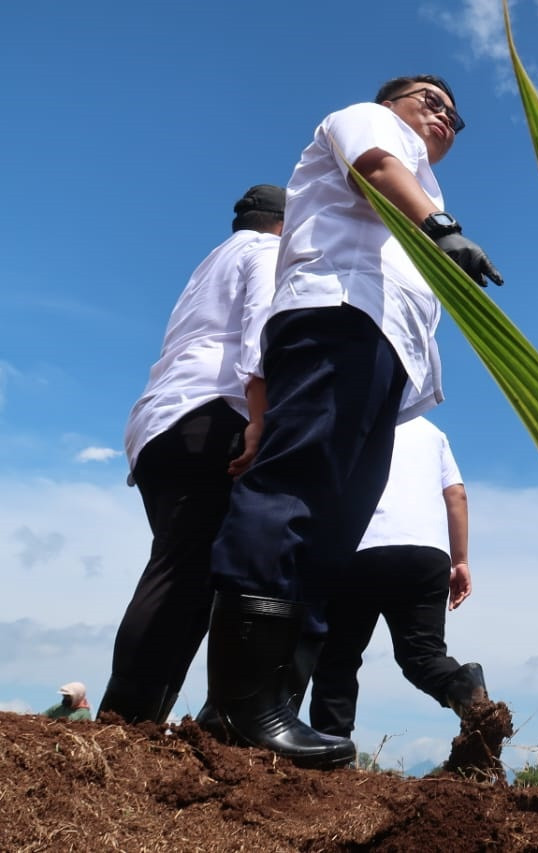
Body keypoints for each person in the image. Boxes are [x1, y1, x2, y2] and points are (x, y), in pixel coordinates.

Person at [202, 74, 502, 769]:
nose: (444, 115)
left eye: (456, 115)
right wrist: (442, 229)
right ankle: (243, 701)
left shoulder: (424, 179)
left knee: (337, 527)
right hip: (337, 315)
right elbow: (375, 167)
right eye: (429, 99)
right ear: (393, 102)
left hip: (383, 351)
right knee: (294, 491)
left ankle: (271, 699)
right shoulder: (367, 124)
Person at [98, 186, 285, 726]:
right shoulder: (266, 253)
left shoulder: (209, 266)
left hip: (160, 422)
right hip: (211, 412)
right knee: (185, 571)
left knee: (187, 571)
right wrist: (260, 417)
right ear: (283, 223)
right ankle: (125, 722)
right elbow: (262, 331)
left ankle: (138, 720)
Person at [308, 417, 487, 738]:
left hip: (361, 548)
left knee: (338, 658)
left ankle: (331, 748)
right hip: (427, 556)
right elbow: (457, 495)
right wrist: (461, 560)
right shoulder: (432, 432)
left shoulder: (350, 418)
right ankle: (465, 688)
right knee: (423, 656)